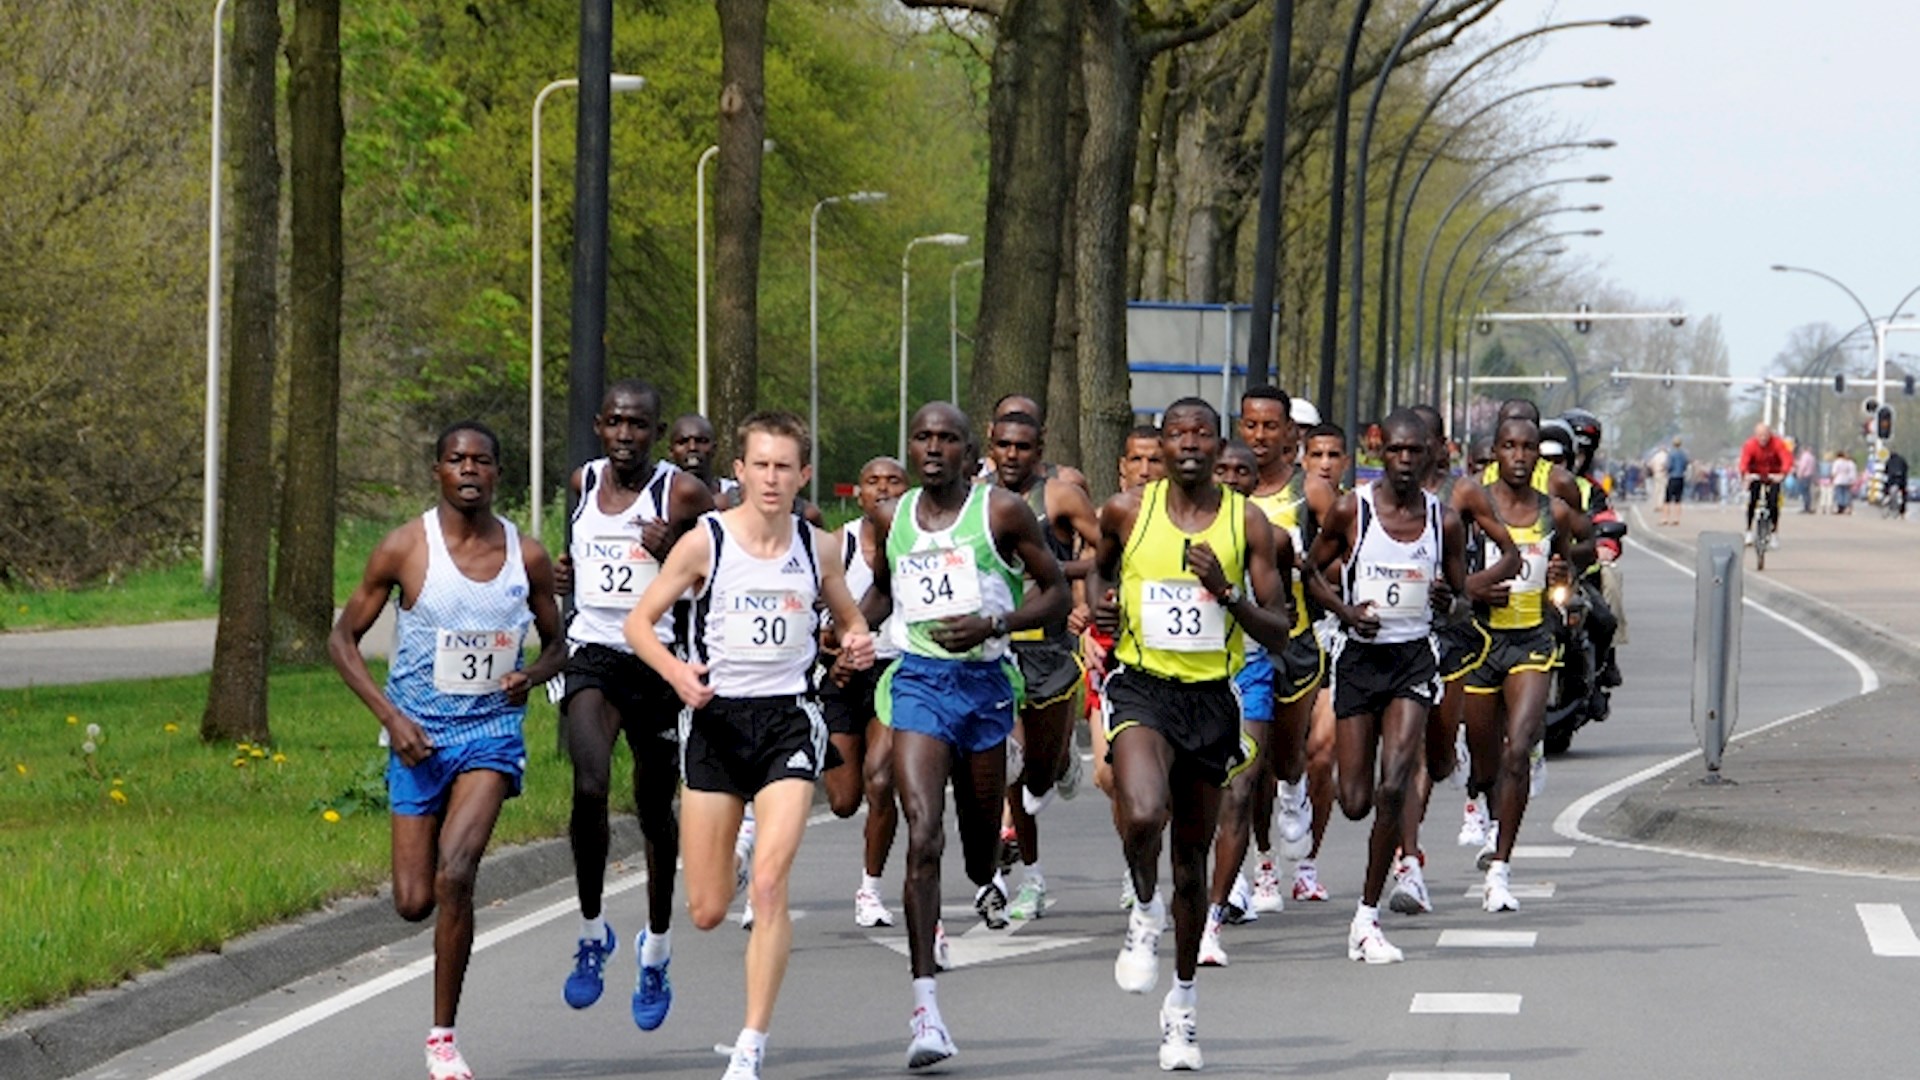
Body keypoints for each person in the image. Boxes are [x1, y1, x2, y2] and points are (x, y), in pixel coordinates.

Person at [621, 411, 874, 1080]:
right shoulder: (705, 542)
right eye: (759, 464)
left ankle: (751, 1043)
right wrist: (679, 674)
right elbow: (640, 623)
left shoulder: (817, 548)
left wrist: (856, 642)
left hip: (790, 721)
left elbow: (849, 619)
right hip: (715, 724)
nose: (771, 478)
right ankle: (679, 916)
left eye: (784, 466)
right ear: (739, 470)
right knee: (706, 910)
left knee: (768, 884)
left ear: (803, 475)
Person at [328, 421, 565, 1080]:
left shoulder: (528, 555)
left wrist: (531, 676)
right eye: (456, 459)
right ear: (437, 470)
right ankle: (433, 867)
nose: (469, 470)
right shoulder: (405, 548)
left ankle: (442, 1039)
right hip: (417, 743)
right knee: (413, 900)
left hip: (489, 735)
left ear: (497, 472)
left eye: (482, 460)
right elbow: (341, 640)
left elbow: (558, 644)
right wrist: (389, 717)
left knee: (457, 873)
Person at [1090, 397, 1295, 1070]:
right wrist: (1099, 601)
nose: (1186, 444)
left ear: (1218, 444)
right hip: (1144, 687)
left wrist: (1227, 591)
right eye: (1175, 433)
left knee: (1191, 865)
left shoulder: (1249, 523)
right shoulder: (1128, 509)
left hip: (1211, 697)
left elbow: (1279, 625)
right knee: (1144, 810)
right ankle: (1140, 914)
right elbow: (1100, 566)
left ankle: (1182, 1008)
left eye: (1199, 434)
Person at [865, 401, 1070, 1070]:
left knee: (979, 854)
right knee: (923, 833)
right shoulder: (893, 517)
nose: (931, 449)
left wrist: (995, 625)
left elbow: (1057, 595)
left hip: (984, 689)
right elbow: (882, 595)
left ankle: (989, 873)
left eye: (945, 439)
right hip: (919, 683)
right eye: (921, 437)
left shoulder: (1001, 512)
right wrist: (842, 630)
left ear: (965, 449)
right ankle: (926, 1008)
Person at [1302, 409, 1509, 964]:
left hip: (1414, 658)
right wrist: (1346, 611)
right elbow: (1311, 572)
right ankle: (1351, 821)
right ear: (1379, 450)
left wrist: (1452, 600)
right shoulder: (1353, 509)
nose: (1405, 461)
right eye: (1395, 451)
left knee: (1395, 784)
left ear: (1432, 454)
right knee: (1355, 800)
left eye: (1415, 452)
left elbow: (1464, 596)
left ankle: (1366, 917)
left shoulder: (1444, 521)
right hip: (1360, 660)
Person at [553, 381, 714, 1030]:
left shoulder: (682, 492)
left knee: (653, 808)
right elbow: (586, 553)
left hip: (656, 659)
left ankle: (657, 945)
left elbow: (716, 561)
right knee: (590, 787)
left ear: (655, 433)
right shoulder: (583, 481)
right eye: (616, 422)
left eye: (639, 425)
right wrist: (567, 572)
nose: (626, 435)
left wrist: (672, 543)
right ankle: (593, 932)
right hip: (593, 650)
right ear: (600, 426)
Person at [1464, 417, 1586, 911]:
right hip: (1477, 640)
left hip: (1531, 639)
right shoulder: (1471, 499)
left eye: (1528, 448)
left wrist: (1564, 567)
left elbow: (1582, 546)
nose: (1519, 455)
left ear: (1539, 456)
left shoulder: (1552, 509)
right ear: (1495, 451)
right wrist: (1469, 585)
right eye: (1509, 446)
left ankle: (1500, 868)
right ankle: (1488, 808)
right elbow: (1444, 551)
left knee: (1520, 748)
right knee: (1485, 757)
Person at [984, 410, 1101, 921]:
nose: (1013, 455)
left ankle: (1060, 763)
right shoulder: (974, 499)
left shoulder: (1059, 496)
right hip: (995, 647)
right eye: (1004, 445)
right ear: (991, 443)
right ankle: (1025, 877)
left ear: (1039, 448)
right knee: (1007, 765)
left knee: (1037, 778)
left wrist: (1072, 587)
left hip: (1049, 650)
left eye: (1023, 447)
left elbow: (1107, 554)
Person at [818, 456, 909, 928]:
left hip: (898, 670)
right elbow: (817, 615)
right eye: (872, 481)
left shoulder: (916, 540)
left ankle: (870, 889)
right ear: (859, 494)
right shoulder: (839, 544)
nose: (883, 489)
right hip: (845, 677)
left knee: (881, 778)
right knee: (843, 800)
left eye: (894, 480)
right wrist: (830, 646)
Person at [1740, 423, 1791, 540]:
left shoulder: (1778, 443)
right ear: (1756, 435)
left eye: (1765, 435)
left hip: (1774, 475)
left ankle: (1774, 532)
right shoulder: (1750, 445)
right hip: (1756, 474)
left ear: (1770, 434)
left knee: (1773, 502)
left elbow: (1786, 458)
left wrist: (1783, 473)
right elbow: (1744, 461)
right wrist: (1745, 474)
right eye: (1760, 435)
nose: (1763, 438)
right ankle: (1748, 530)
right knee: (1753, 500)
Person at [1660, 437, 1689, 526]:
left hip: (1672, 477)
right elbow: (1685, 464)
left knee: (1667, 499)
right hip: (1681, 477)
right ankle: (1677, 518)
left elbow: (1669, 466)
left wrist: (1665, 469)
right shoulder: (1684, 454)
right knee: (1678, 499)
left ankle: (1665, 518)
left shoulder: (1671, 454)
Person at [1830, 449, 1858, 515]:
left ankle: (1841, 506)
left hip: (1838, 479)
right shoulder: (1848, 462)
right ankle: (1845, 505)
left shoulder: (1837, 462)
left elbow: (1834, 472)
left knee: (1839, 493)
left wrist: (1832, 478)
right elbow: (1851, 472)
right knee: (1846, 493)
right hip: (1846, 480)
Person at [1887, 450, 1910, 517]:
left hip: (1892, 481)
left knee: (1888, 491)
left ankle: (1891, 506)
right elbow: (1906, 468)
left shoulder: (1889, 461)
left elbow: (1886, 470)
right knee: (1904, 494)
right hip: (1902, 481)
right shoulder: (1902, 460)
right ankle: (1903, 509)